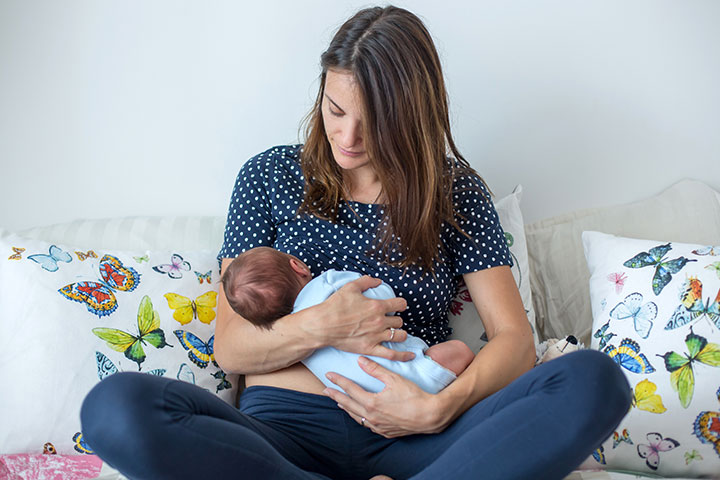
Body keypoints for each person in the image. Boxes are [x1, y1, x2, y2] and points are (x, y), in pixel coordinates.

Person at [80, 6, 631, 480]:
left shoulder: (455, 192)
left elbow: (514, 341)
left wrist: (438, 409)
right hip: (281, 435)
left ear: (413, 118)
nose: (346, 139)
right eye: (336, 111)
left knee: (594, 381)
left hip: (419, 436)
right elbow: (231, 345)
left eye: (373, 124)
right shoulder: (269, 177)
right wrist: (325, 326)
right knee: (115, 408)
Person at [221, 246, 476, 394]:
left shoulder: (292, 344)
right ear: (298, 266)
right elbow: (381, 297)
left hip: (361, 400)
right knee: (461, 351)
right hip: (414, 376)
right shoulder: (329, 284)